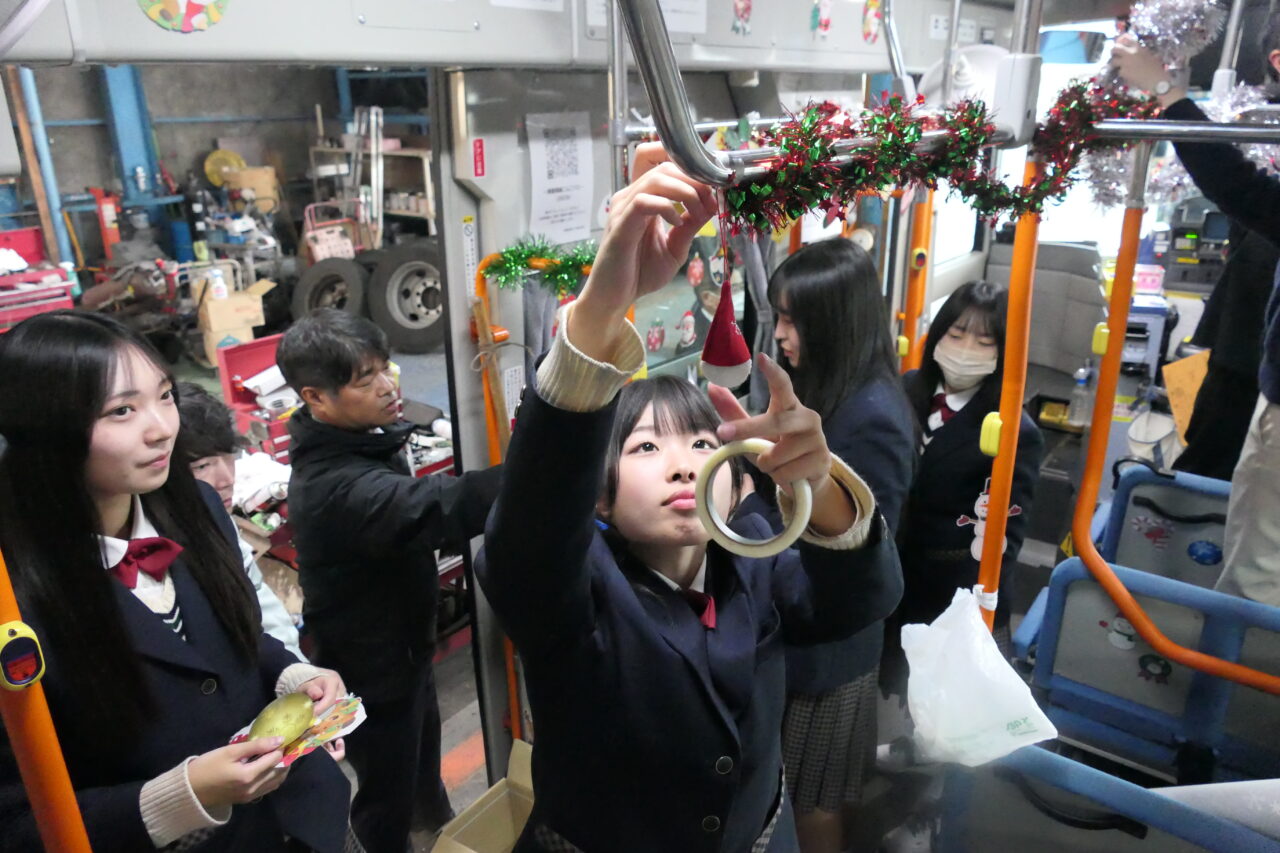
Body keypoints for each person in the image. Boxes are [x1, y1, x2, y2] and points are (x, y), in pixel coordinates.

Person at [476, 143, 903, 853]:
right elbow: (528, 535)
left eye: (704, 447)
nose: (682, 466)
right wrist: (602, 310)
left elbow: (862, 596)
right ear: (601, 499)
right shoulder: (576, 590)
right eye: (646, 448)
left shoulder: (757, 559)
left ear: (738, 482)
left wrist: (818, 481)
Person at [0, 311, 352, 852]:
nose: (163, 427)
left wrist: (292, 677)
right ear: (44, 432)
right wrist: (181, 794)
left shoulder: (197, 507)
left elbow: (233, 640)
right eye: (122, 410)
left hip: (308, 822)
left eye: (164, 396)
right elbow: (16, 822)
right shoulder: (12, 598)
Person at [277, 309, 503, 852]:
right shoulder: (335, 486)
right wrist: (553, 463)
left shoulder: (357, 437)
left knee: (421, 750)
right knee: (386, 786)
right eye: (365, 379)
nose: (387, 387)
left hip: (405, 640)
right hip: (369, 660)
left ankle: (437, 824)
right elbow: (440, 507)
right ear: (316, 397)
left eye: (385, 368)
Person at [736, 238, 915, 853]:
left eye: (792, 319)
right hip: (807, 638)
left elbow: (861, 564)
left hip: (831, 655)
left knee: (814, 803)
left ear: (832, 323)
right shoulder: (824, 387)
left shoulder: (873, 418)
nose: (780, 333)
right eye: (778, 316)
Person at [1112, 31, 1280, 606]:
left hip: (1256, 377)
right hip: (1246, 366)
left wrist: (1166, 92)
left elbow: (1243, 189)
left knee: (1256, 570)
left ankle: (1223, 678)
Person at [885, 281, 1044, 695]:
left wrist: (975, 609)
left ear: (1001, 352)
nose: (965, 348)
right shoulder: (906, 389)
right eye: (956, 335)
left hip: (954, 588)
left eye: (983, 341)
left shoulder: (1012, 429)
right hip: (893, 573)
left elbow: (1007, 535)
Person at [175, 381, 305, 660]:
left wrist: (298, 670)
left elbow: (260, 601)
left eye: (228, 456)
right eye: (202, 466)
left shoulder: (217, 522)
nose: (226, 479)